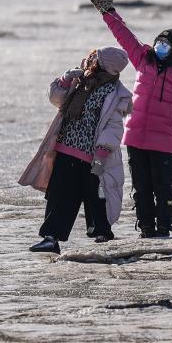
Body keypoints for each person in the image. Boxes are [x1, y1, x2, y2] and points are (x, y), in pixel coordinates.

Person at [88, 0, 172, 238]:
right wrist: (107, 11)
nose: (160, 48)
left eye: (166, 46)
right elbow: (124, 34)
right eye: (159, 43)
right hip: (136, 139)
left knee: (162, 187)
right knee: (141, 188)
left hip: (162, 142)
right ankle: (146, 227)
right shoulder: (143, 59)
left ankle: (164, 226)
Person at [19, 46, 132, 254]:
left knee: (96, 195)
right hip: (65, 149)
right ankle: (51, 239)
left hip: (94, 155)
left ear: (104, 64)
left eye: (94, 57)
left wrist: (102, 152)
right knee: (59, 196)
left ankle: (103, 234)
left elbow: (114, 127)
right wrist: (64, 79)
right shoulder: (81, 81)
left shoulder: (116, 94)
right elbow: (56, 98)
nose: (89, 59)